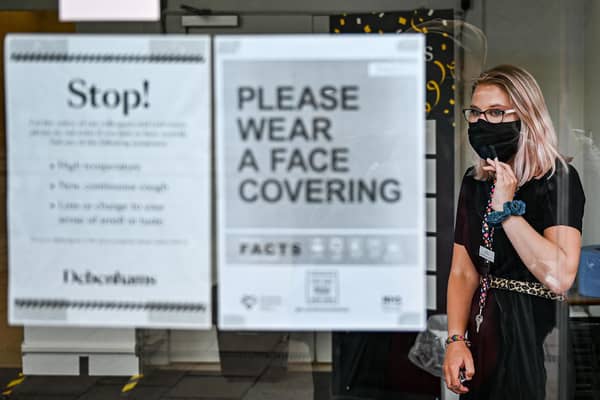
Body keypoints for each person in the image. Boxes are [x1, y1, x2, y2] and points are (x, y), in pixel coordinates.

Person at [442, 65, 585, 399]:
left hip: (538, 331)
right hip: (485, 329)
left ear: (527, 116)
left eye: (495, 112)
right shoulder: (475, 182)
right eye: (475, 113)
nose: (481, 123)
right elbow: (463, 271)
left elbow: (560, 275)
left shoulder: (558, 179)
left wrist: (506, 212)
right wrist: (454, 339)